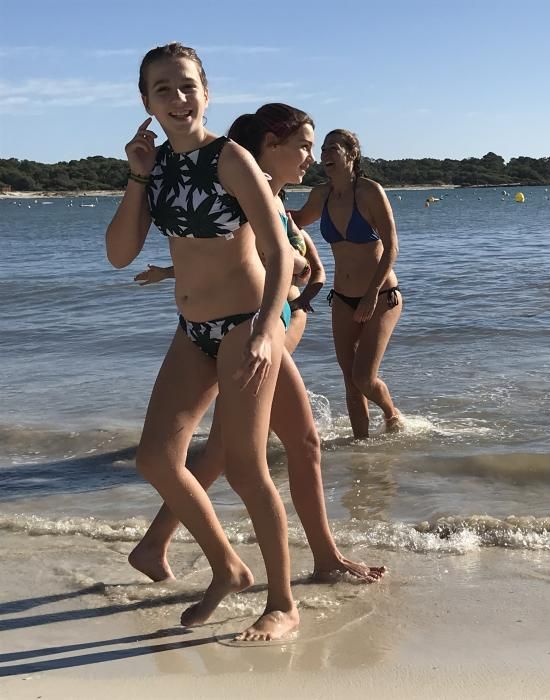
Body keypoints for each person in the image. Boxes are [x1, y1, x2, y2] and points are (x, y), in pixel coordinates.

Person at [130, 103, 386, 586]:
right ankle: (240, 571)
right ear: (270, 147)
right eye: (303, 146)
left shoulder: (272, 194)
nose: (310, 156)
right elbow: (249, 261)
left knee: (293, 445)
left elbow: (234, 256)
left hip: (262, 327)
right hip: (251, 331)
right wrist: (292, 286)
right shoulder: (253, 190)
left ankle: (159, 543)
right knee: (231, 454)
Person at [106, 44, 297, 641]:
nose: (177, 98)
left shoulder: (231, 158)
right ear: (146, 102)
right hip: (193, 331)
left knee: (246, 468)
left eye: (187, 86)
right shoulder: (154, 167)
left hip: (245, 325)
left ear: (206, 93)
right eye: (162, 89)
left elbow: (280, 253)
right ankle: (226, 567)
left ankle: (284, 604)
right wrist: (137, 174)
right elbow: (120, 254)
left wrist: (269, 326)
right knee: (155, 459)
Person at [292, 129, 402, 440]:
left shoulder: (369, 192)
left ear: (351, 154)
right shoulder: (321, 195)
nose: (324, 155)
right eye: (321, 149)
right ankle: (361, 449)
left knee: (364, 378)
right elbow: (295, 220)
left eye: (332, 149)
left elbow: (392, 247)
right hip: (341, 297)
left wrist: (370, 296)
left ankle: (392, 414)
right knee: (350, 383)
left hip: (381, 296)